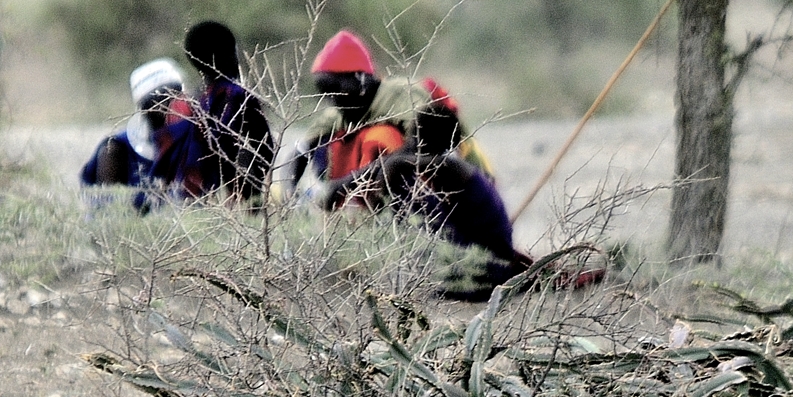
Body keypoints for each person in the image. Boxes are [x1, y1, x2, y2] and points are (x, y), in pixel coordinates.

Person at [315, 98, 533, 298]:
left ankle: (442, 276)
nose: (407, 143)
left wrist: (350, 188)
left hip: (486, 270)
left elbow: (395, 164)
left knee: (402, 185)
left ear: (420, 139)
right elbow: (392, 164)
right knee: (404, 186)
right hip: (483, 262)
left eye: (413, 136)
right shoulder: (441, 164)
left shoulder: (451, 167)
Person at [279, 28, 492, 199]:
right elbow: (301, 151)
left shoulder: (399, 94)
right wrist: (288, 191)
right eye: (326, 92)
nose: (333, 99)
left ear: (361, 80)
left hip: (458, 182)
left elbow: (425, 147)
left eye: (336, 89)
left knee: (379, 138)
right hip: (391, 185)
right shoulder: (343, 111)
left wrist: (348, 183)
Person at [179, 19, 275, 204]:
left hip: (201, 197)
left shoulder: (196, 101)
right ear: (229, 55)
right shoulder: (240, 97)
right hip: (240, 197)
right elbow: (263, 149)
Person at [80, 57, 195, 210]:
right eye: (160, 100)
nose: (170, 106)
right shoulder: (115, 151)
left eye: (175, 96)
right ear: (144, 108)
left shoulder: (200, 140)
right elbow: (108, 216)